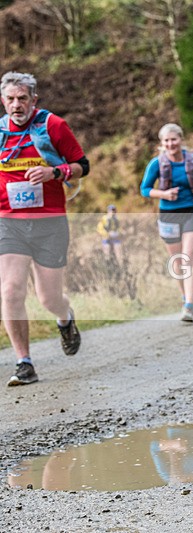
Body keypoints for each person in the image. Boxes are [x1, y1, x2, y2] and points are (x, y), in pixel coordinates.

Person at [0, 71, 89, 386]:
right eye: (10, 99)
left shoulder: (53, 126)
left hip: (49, 222)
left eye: (22, 98)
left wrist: (54, 172)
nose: (16, 105)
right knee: (10, 290)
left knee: (48, 297)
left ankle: (64, 318)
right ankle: (24, 362)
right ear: (3, 101)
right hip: (8, 223)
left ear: (34, 100)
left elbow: (82, 165)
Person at [140, 123, 193, 322]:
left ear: (181, 139)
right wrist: (163, 194)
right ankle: (185, 297)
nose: (170, 144)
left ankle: (189, 306)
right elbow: (145, 189)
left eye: (174, 139)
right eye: (166, 141)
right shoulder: (156, 164)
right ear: (161, 143)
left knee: (188, 257)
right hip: (168, 214)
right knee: (178, 263)